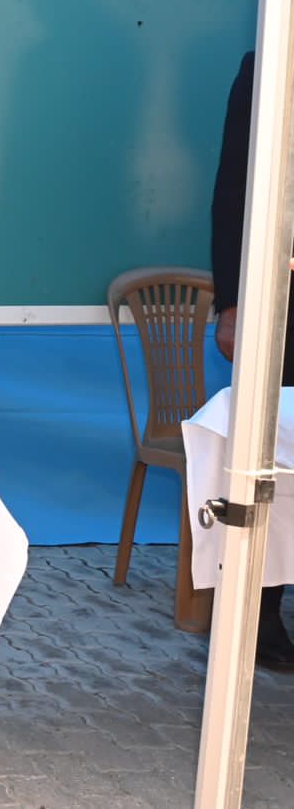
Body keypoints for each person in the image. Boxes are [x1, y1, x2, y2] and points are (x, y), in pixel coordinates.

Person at [209, 50, 294, 671]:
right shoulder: (270, 63)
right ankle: (258, 617)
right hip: (281, 304)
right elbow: (234, 190)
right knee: (274, 459)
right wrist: (233, 303)